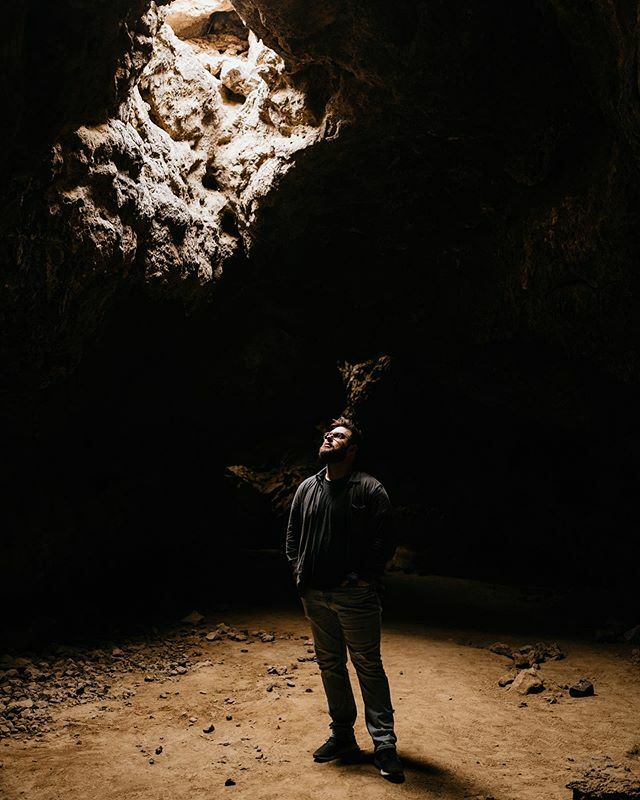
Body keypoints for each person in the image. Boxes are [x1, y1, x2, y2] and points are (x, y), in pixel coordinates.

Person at [285, 416, 404, 782]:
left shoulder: (369, 489)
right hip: (315, 597)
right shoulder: (307, 488)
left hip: (355, 598)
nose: (328, 437)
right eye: (327, 434)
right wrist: (299, 572)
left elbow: (385, 540)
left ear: (352, 450)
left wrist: (362, 578)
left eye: (337, 436)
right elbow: (292, 535)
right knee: (330, 665)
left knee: (368, 666)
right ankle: (342, 736)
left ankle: (384, 745)